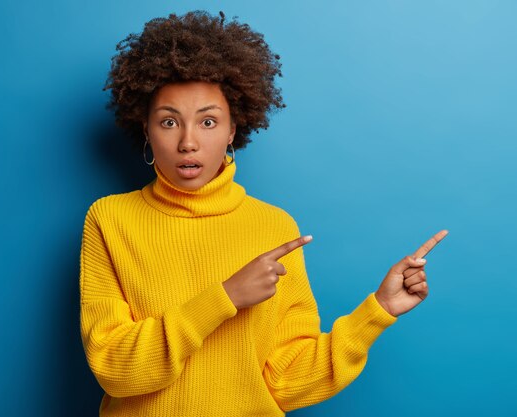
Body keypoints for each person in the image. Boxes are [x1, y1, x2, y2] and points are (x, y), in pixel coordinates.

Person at [79, 10, 448, 416]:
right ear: (146, 128)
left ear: (233, 129)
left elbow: (285, 382)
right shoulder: (110, 219)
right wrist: (223, 298)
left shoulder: (274, 227)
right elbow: (115, 369)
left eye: (208, 121)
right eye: (169, 122)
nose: (188, 142)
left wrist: (377, 311)